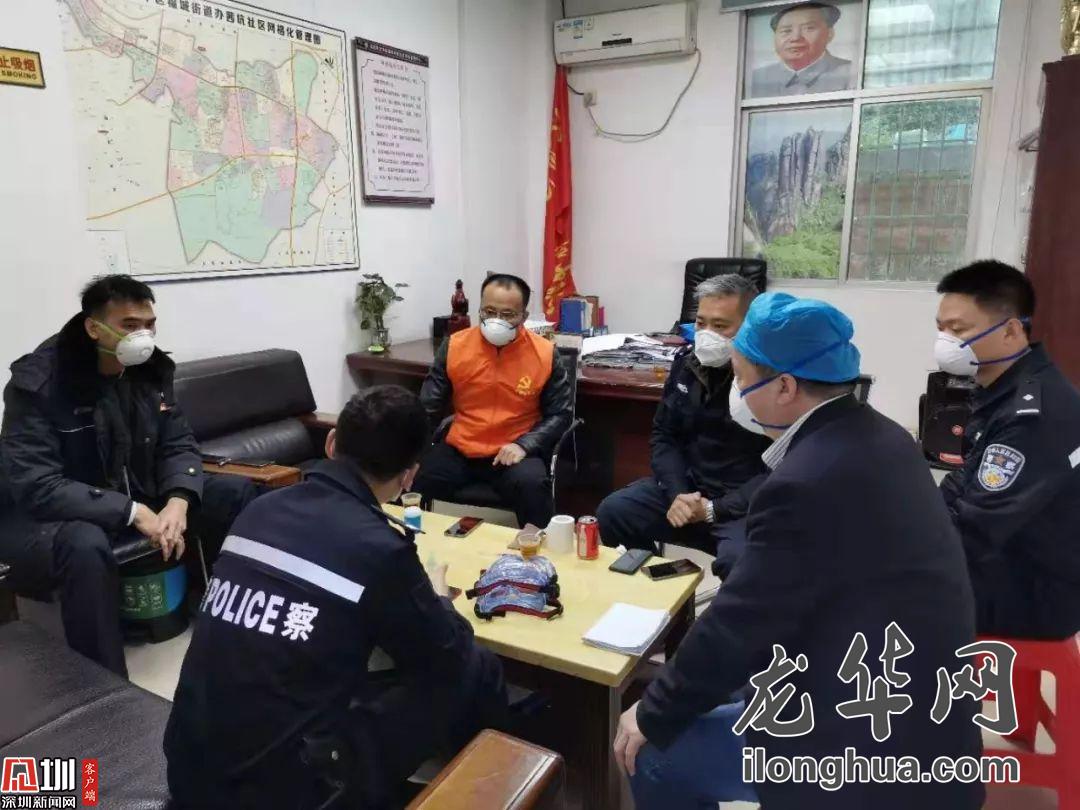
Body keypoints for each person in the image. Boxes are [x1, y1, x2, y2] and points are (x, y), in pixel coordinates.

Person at [614, 292, 983, 810]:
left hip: (865, 742)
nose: (736, 394)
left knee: (652, 751)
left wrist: (652, 711)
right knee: (723, 689)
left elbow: (739, 622)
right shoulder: (883, 435)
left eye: (741, 380)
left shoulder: (806, 482)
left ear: (785, 387)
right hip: (919, 699)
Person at [164, 385, 507, 809]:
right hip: (282, 795)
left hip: (187, 770)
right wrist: (438, 595)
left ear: (330, 443)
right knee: (474, 666)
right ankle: (497, 783)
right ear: (409, 476)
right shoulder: (381, 549)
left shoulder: (257, 510)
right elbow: (445, 652)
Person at [0, 275, 255, 677]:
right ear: (93, 327)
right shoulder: (40, 384)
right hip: (49, 515)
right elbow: (38, 486)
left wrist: (178, 499)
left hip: (132, 493)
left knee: (236, 494)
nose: (143, 336)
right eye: (130, 325)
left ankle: (234, 626)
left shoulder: (150, 371)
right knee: (84, 544)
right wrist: (132, 511)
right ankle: (107, 687)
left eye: (149, 325)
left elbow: (178, 443)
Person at [935, 260, 1080, 639]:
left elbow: (975, 531)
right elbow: (963, 482)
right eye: (941, 329)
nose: (945, 342)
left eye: (958, 330)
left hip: (1033, 590)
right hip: (1009, 557)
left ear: (1011, 331)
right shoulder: (1006, 390)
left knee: (870, 592)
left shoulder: (1031, 415)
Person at [597, 275, 770, 576]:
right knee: (615, 512)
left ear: (750, 328)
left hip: (741, 506)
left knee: (741, 563)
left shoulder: (769, 381)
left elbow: (782, 469)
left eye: (720, 326)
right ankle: (655, 595)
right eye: (701, 323)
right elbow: (664, 435)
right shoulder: (687, 365)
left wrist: (715, 509)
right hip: (690, 491)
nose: (707, 334)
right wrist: (677, 492)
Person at [415, 274, 572, 528]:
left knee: (532, 486)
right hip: (462, 447)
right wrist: (410, 453)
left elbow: (561, 414)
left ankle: (538, 548)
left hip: (514, 450)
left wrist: (525, 445)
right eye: (489, 312)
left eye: (508, 314)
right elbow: (428, 406)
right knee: (411, 477)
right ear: (479, 309)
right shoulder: (455, 346)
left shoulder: (544, 353)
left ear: (523, 316)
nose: (496, 320)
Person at [749, 2, 854, 97]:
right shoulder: (756, 79)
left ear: (830, 34)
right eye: (786, 31)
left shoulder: (851, 73)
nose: (795, 38)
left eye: (809, 28)